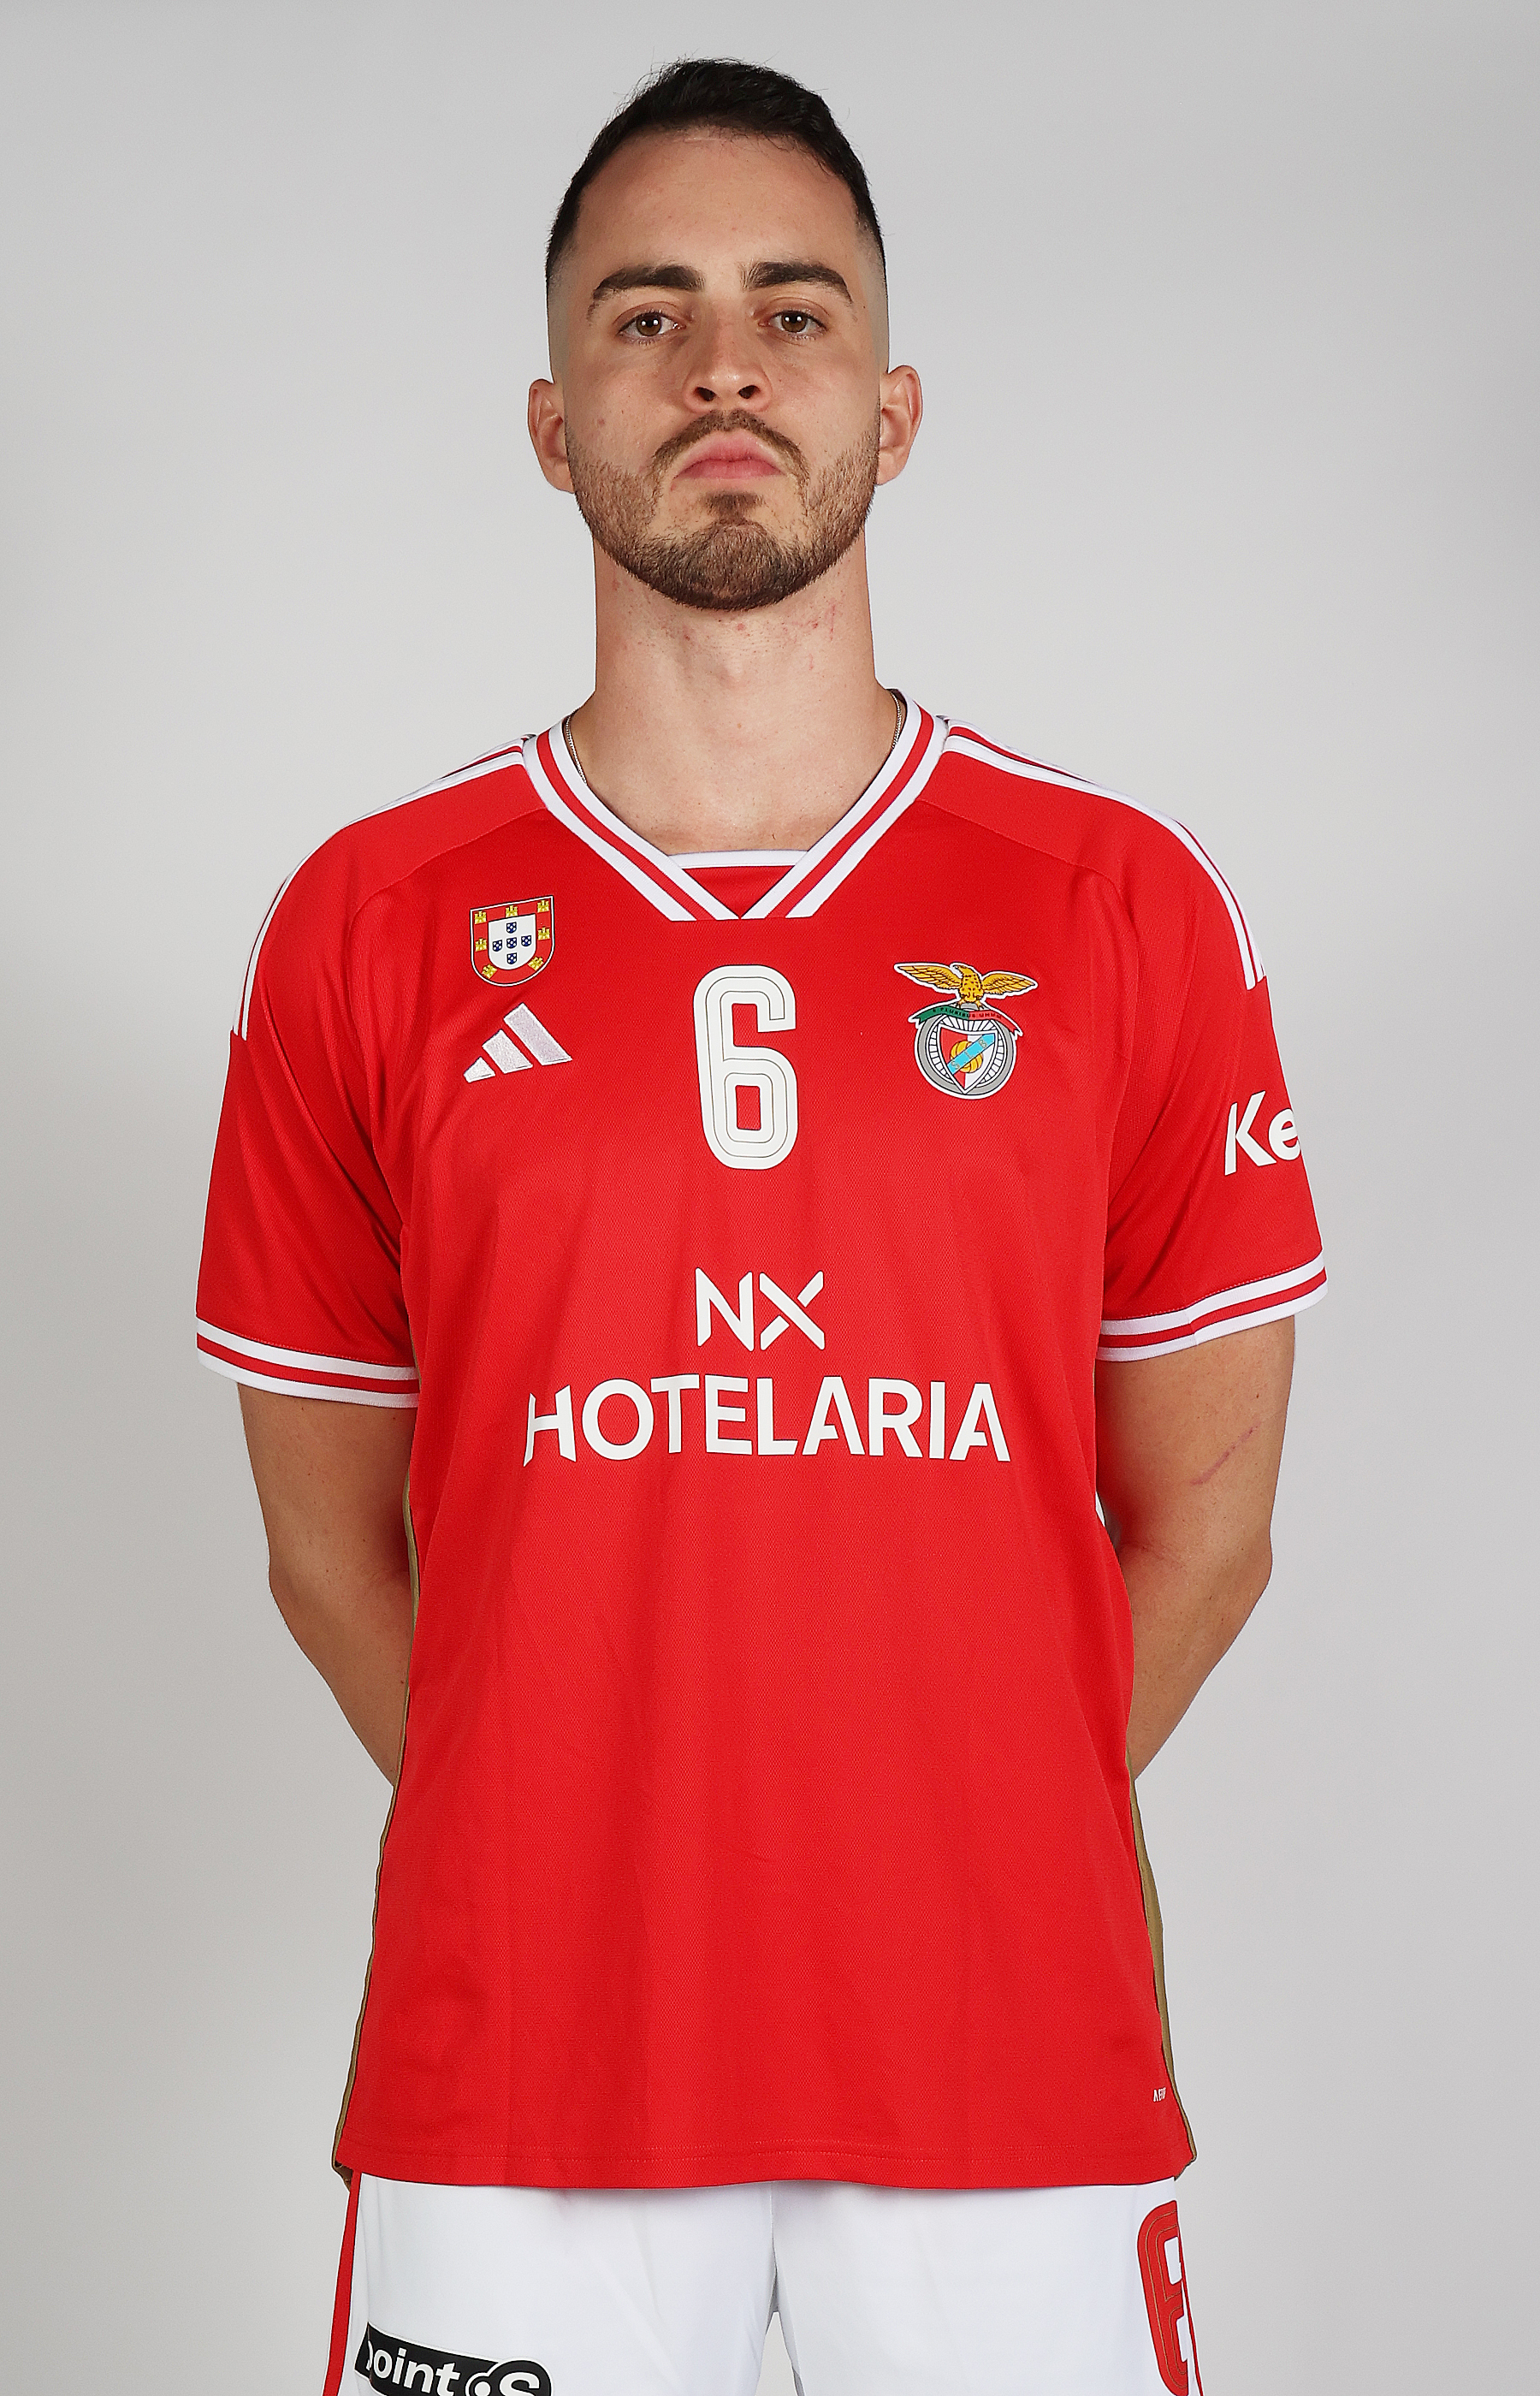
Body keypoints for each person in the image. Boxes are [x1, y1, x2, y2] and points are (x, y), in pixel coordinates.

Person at [197, 56, 1324, 2396]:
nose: (724, 366)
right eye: (650, 315)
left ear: (893, 409)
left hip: (1004, 2060)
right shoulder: (371, 923)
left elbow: (1205, 1535)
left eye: (794, 313)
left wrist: (950, 1836)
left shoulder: (1118, 907)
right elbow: (328, 1557)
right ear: (551, 425)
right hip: (525, 2073)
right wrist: (576, 1837)